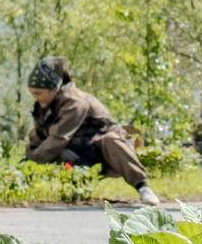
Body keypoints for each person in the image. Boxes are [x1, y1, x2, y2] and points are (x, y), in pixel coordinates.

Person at [25, 56, 161, 207]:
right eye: (33, 94)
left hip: (106, 151)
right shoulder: (46, 106)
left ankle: (143, 188)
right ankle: (74, 193)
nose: (36, 98)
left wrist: (32, 161)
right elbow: (40, 135)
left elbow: (59, 138)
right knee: (62, 153)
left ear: (54, 89)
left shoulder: (74, 102)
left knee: (111, 140)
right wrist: (26, 162)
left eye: (38, 93)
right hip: (82, 151)